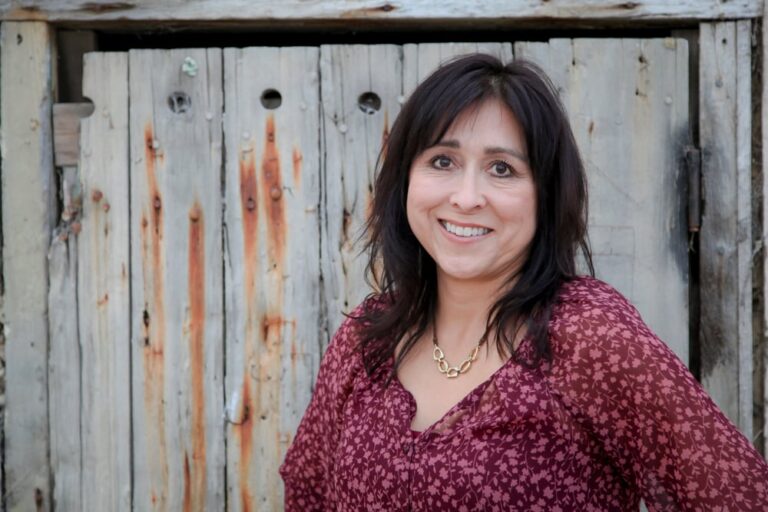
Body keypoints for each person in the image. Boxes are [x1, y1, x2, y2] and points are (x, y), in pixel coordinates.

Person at [279, 54, 768, 510]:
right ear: (406, 179)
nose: (467, 198)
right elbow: (309, 495)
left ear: (546, 195)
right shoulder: (367, 342)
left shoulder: (589, 336)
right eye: (442, 162)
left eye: (502, 169)